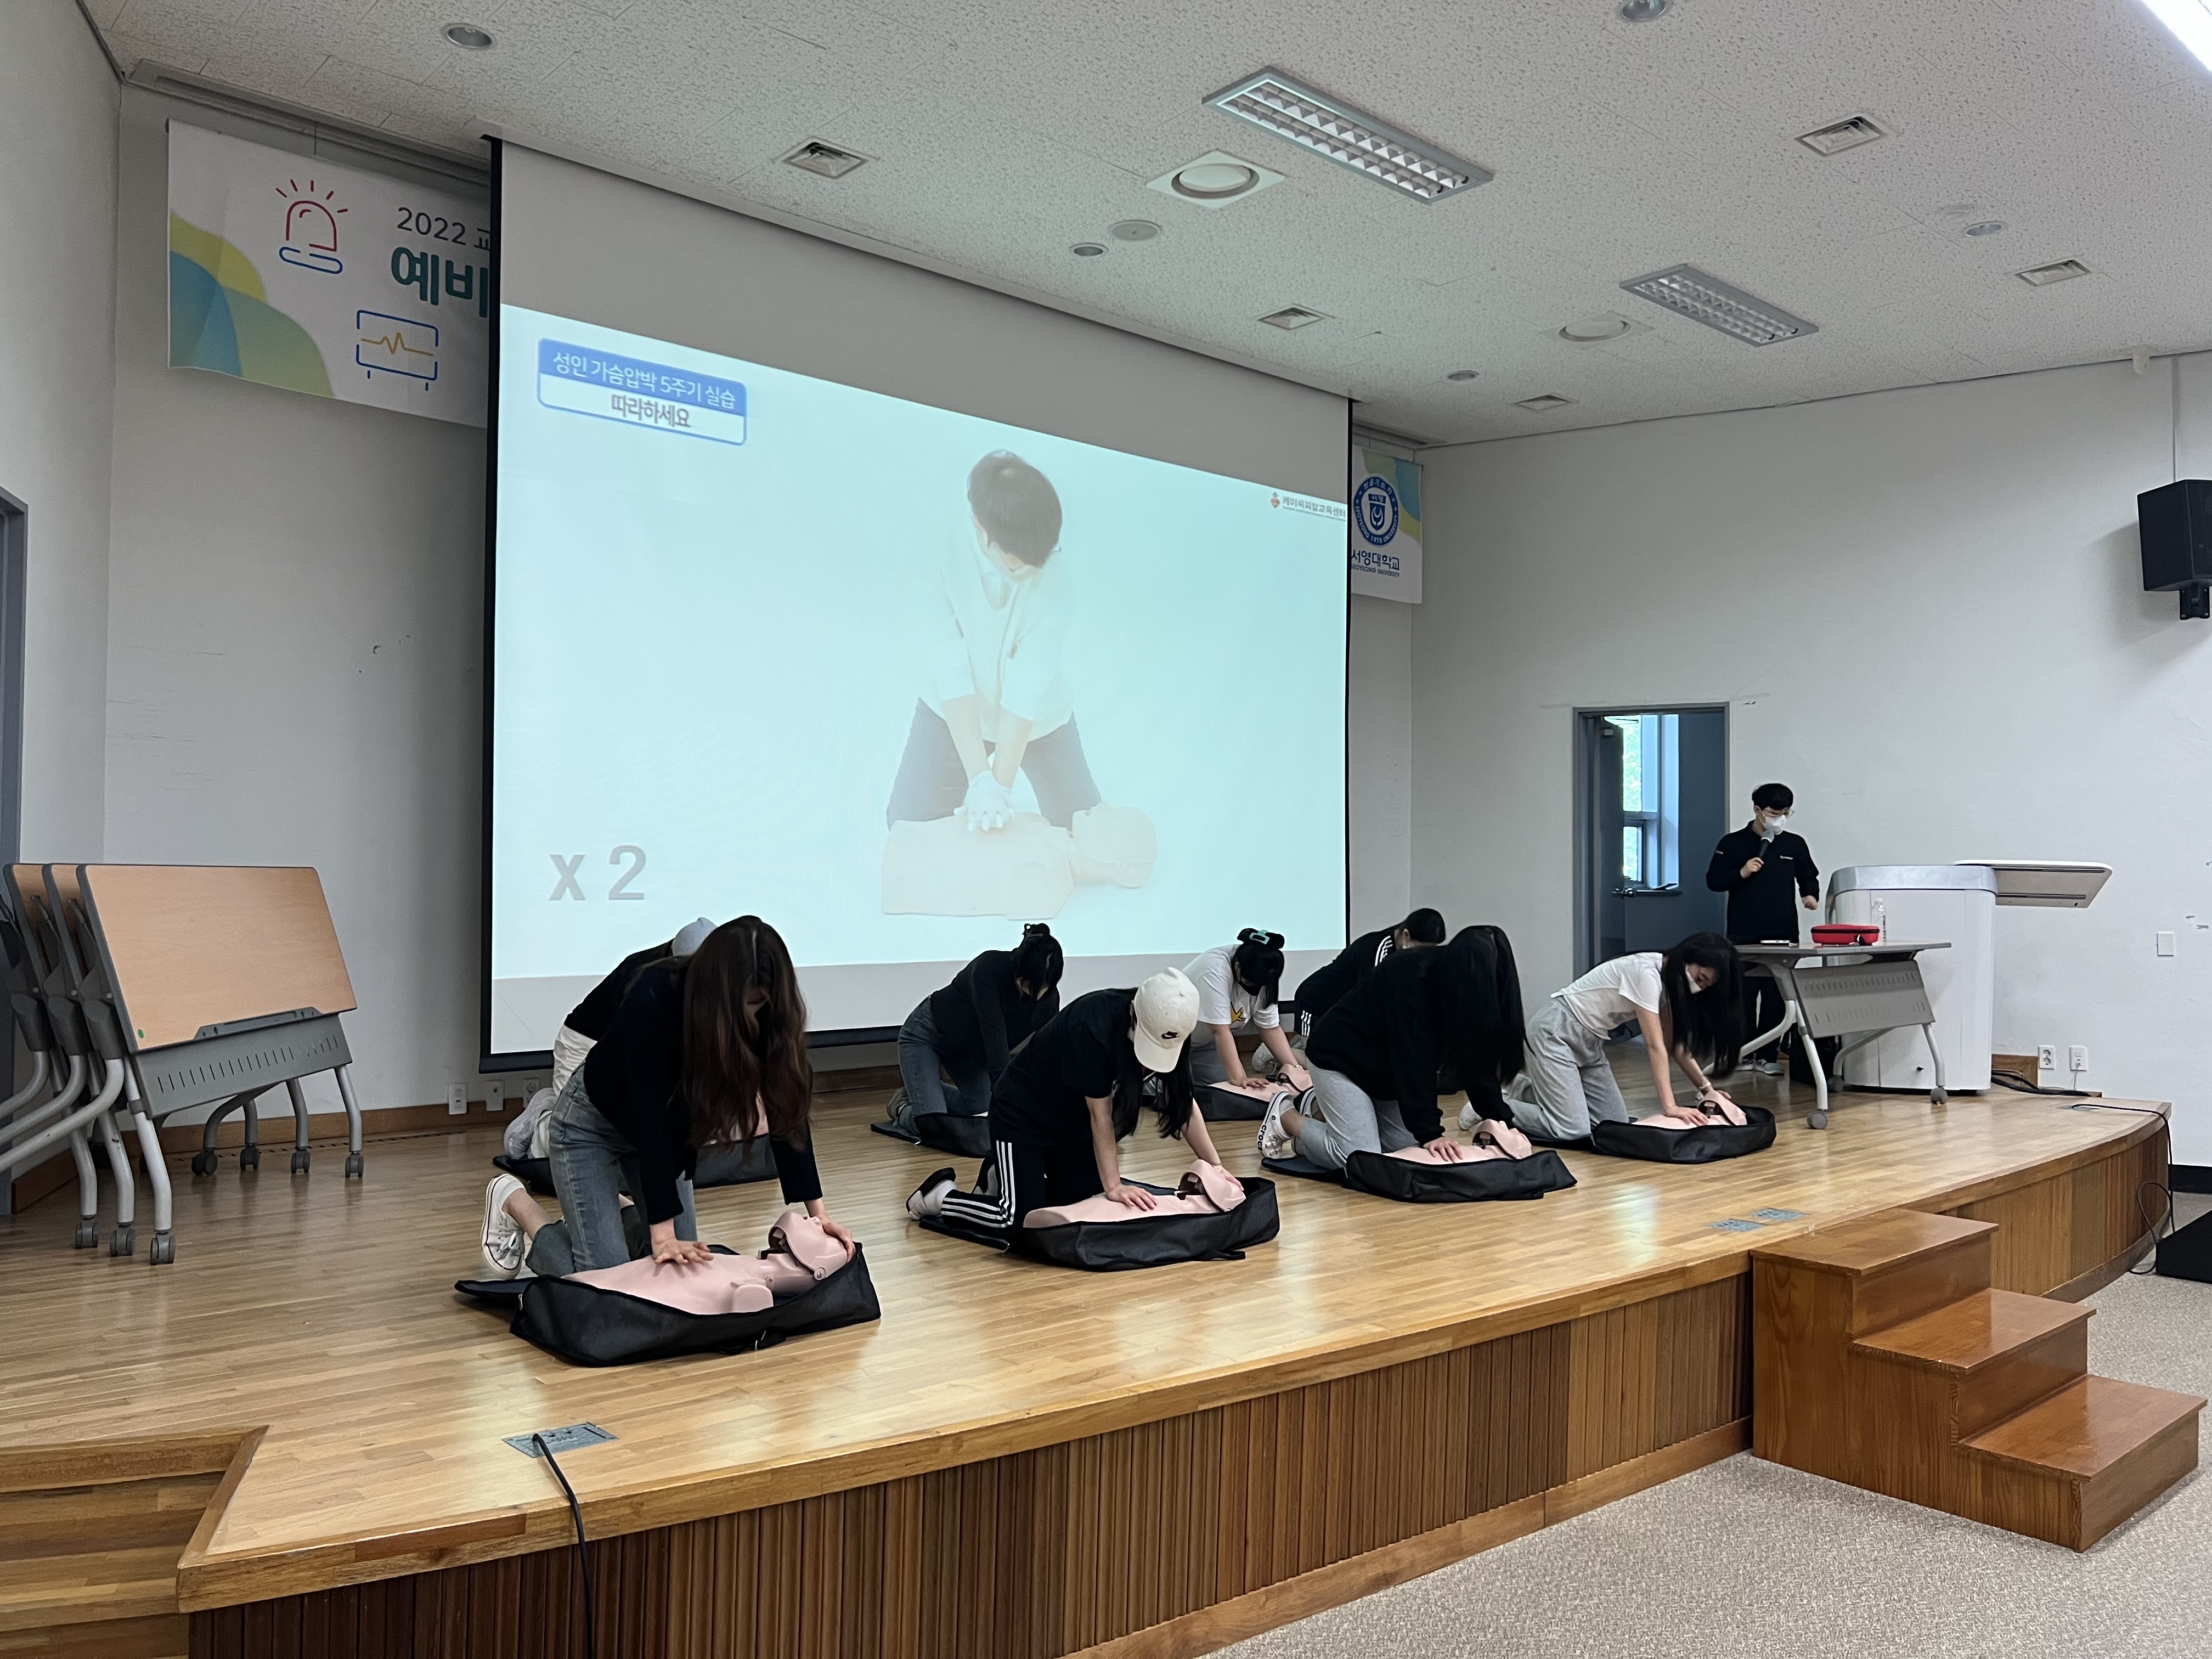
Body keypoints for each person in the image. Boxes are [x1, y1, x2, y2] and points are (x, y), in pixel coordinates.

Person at [479, 917, 850, 1277]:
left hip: (662, 1135)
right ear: (716, 986)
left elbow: (785, 1103)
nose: (749, 1016)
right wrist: (662, 1236)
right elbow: (650, 1114)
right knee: (606, 1285)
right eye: (742, 1003)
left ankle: (603, 1216)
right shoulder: (654, 994)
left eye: (758, 1003)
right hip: (590, 1128)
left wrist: (819, 1217)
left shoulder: (770, 1012)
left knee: (681, 1271)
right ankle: (515, 1202)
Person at [906, 968, 1237, 1234]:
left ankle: (1003, 1178)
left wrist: (1217, 1169)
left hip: (1072, 1123)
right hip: (1022, 1115)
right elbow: (1100, 1116)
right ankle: (940, 1196)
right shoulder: (1094, 1024)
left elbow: (1183, 1102)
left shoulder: (1173, 1025)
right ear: (1136, 1015)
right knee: (1019, 1221)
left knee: (1079, 1207)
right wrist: (1114, 1185)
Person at [884, 451, 1103, 833]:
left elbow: (1026, 689)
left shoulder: (1055, 578)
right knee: (906, 825)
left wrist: (998, 790)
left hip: (1038, 717)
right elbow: (951, 673)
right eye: (1019, 563)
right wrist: (979, 781)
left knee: (1085, 830)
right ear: (980, 526)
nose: (1035, 570)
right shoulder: (935, 552)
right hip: (951, 709)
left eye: (1042, 559)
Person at [1257, 927, 1526, 1170]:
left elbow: (1477, 1060)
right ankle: (1287, 1117)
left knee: (1398, 1151)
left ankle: (1317, 1108)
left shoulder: (1474, 990)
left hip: (1383, 1073)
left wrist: (1501, 1122)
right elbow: (1413, 1060)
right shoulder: (1410, 974)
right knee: (1359, 1157)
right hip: (1338, 1058)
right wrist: (1430, 1133)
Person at [506, 917, 716, 1160]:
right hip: (585, 1045)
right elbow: (634, 1057)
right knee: (585, 1134)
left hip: (623, 1050)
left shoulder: (719, 978)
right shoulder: (642, 978)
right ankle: (540, 1124)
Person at [1513, 934, 1745, 1144]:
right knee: (1572, 1130)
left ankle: (1523, 1089)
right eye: (1700, 977)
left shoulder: (1666, 983)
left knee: (1613, 1125)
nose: (1699, 987)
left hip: (1590, 1044)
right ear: (1685, 958)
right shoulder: (1646, 973)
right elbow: (1655, 1046)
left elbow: (1675, 1046)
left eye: (1706, 985)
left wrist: (1707, 1090)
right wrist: (1670, 1107)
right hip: (1555, 1033)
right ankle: (1498, 1108)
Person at [886, 923, 1064, 1132]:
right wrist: (1006, 1100)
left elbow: (1051, 1052)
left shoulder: (1049, 1000)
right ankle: (902, 1106)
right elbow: (994, 1035)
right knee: (935, 1127)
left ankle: (919, 1091)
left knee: (981, 1120)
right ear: (1019, 973)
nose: (1038, 994)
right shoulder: (988, 969)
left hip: (969, 1055)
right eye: (1031, 986)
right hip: (927, 1035)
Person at [1705, 784, 1820, 1074]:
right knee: (1743, 996)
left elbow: (1808, 875)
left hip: (1783, 934)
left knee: (1777, 997)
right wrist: (1741, 873)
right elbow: (1714, 881)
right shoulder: (1733, 843)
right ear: (1757, 810)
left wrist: (1810, 895)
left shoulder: (1794, 844)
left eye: (1786, 813)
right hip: (1743, 934)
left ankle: (1768, 1056)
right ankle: (1744, 1054)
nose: (1779, 818)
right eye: (1773, 813)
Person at [1183, 930, 1311, 1092]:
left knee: (1225, 1091)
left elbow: (1271, 1029)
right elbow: (1220, 1031)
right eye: (1250, 983)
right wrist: (1240, 1079)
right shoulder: (1215, 970)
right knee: (1171, 1093)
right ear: (1237, 966)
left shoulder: (1265, 975)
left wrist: (1295, 1070)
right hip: (1173, 1043)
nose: (1255, 990)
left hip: (1204, 1045)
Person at [1290, 907, 1448, 1036]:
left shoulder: (1405, 955)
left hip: (1340, 1011)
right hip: (1315, 1004)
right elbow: (1375, 1000)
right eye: (1421, 949)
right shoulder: (1379, 950)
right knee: (1314, 1060)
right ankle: (1279, 1052)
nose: (1423, 955)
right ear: (1406, 936)